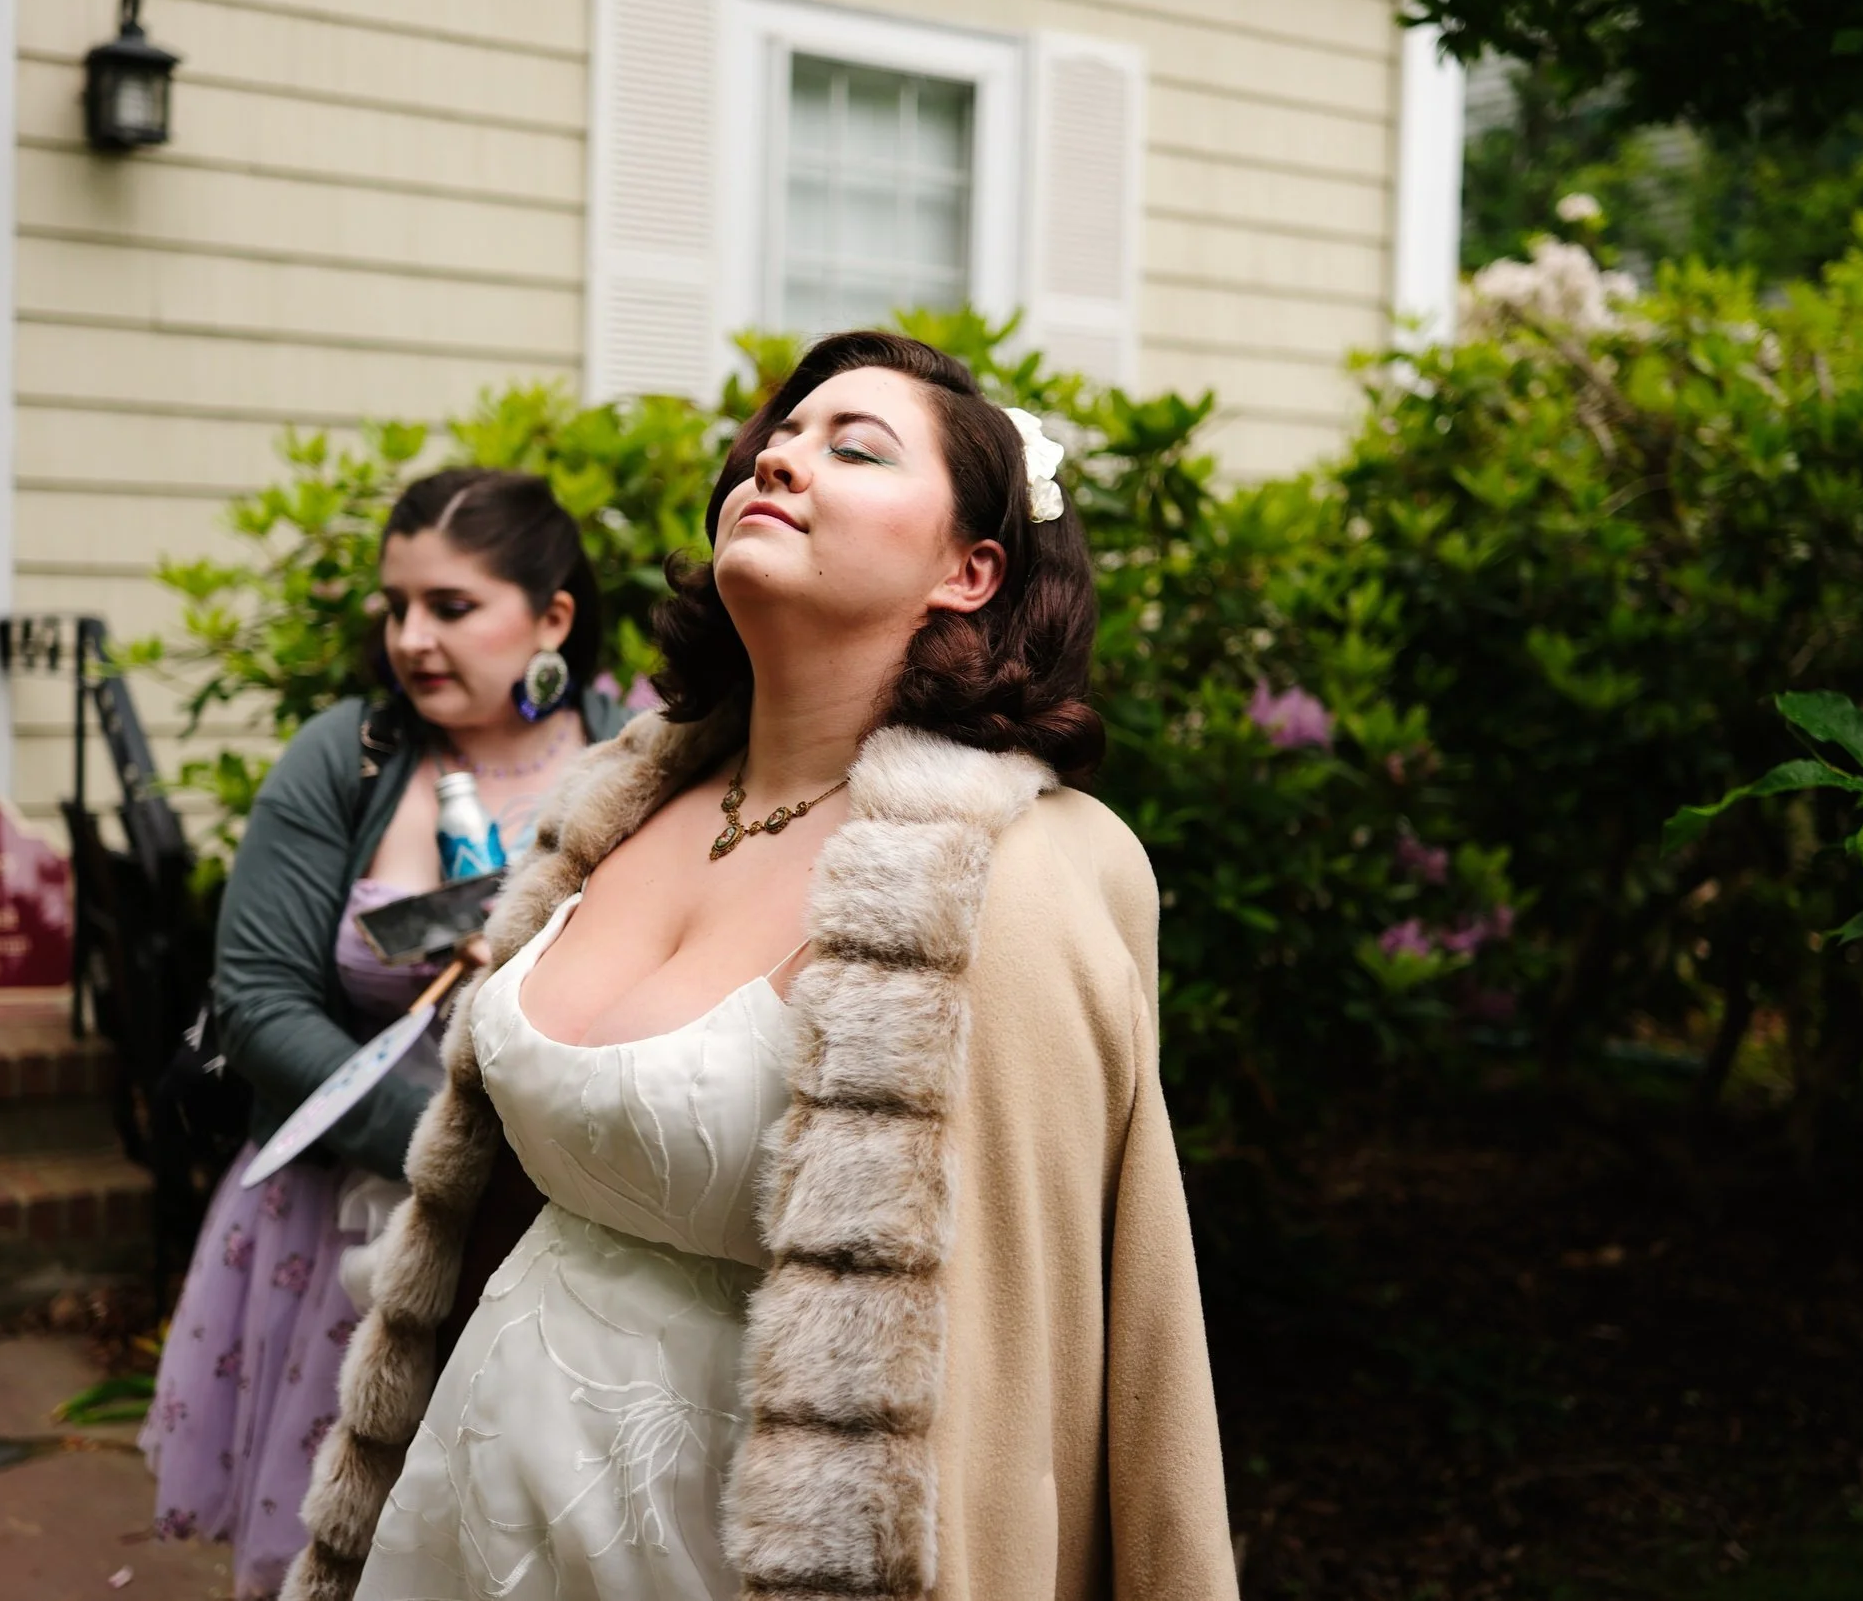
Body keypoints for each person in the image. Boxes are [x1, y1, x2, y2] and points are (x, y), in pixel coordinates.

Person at [286, 333, 1238, 1601]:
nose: (781, 459)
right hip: (468, 1499)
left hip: (731, 1547)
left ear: (971, 568)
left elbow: (1037, 1350)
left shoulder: (1018, 875)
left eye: (852, 448)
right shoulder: (616, 800)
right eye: (773, 443)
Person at [141, 468, 631, 1601]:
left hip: (561, 1235)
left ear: (552, 615)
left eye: (451, 607)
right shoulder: (344, 755)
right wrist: (461, 1156)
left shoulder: (646, 760)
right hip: (339, 1228)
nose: (411, 638)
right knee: (339, 1550)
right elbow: (260, 1001)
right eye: (397, 606)